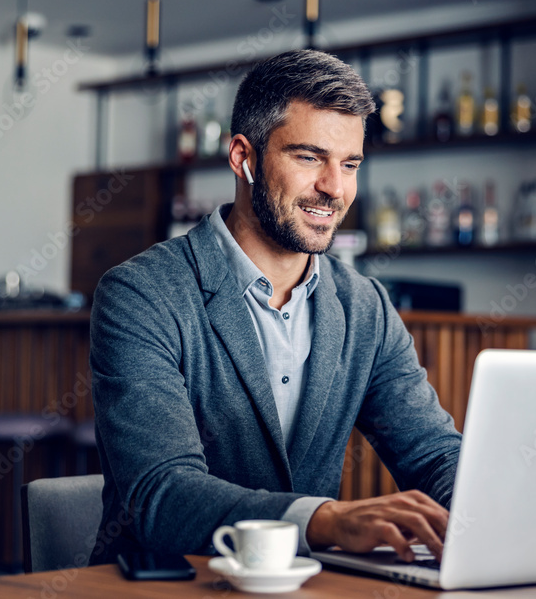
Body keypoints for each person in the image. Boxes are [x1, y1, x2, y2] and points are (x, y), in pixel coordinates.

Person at [89, 49, 462, 566]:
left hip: (304, 585)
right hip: (170, 586)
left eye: (349, 164)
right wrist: (326, 520)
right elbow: (161, 495)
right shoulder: (140, 294)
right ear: (244, 158)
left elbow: (434, 455)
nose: (334, 187)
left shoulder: (366, 308)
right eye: (309, 158)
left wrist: (508, 506)